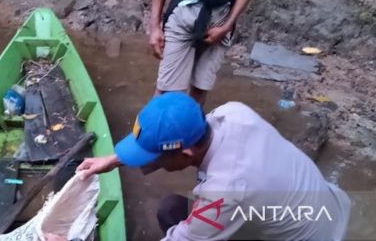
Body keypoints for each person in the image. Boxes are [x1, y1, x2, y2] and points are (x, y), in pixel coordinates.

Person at [77, 93, 351, 240]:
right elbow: (175, 135)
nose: (151, 160)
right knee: (174, 209)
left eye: (154, 156)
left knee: (175, 215)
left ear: (185, 153)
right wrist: (113, 159)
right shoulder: (232, 112)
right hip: (328, 208)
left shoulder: (226, 189)